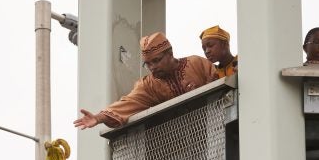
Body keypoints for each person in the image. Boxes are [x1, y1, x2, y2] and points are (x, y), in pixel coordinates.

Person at [74, 32, 218, 129]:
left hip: (214, 128)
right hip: (179, 143)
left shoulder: (196, 63)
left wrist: (200, 92)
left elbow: (221, 86)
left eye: (156, 61)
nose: (152, 67)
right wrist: (98, 118)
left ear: (170, 54)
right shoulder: (148, 85)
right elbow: (126, 104)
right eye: (148, 64)